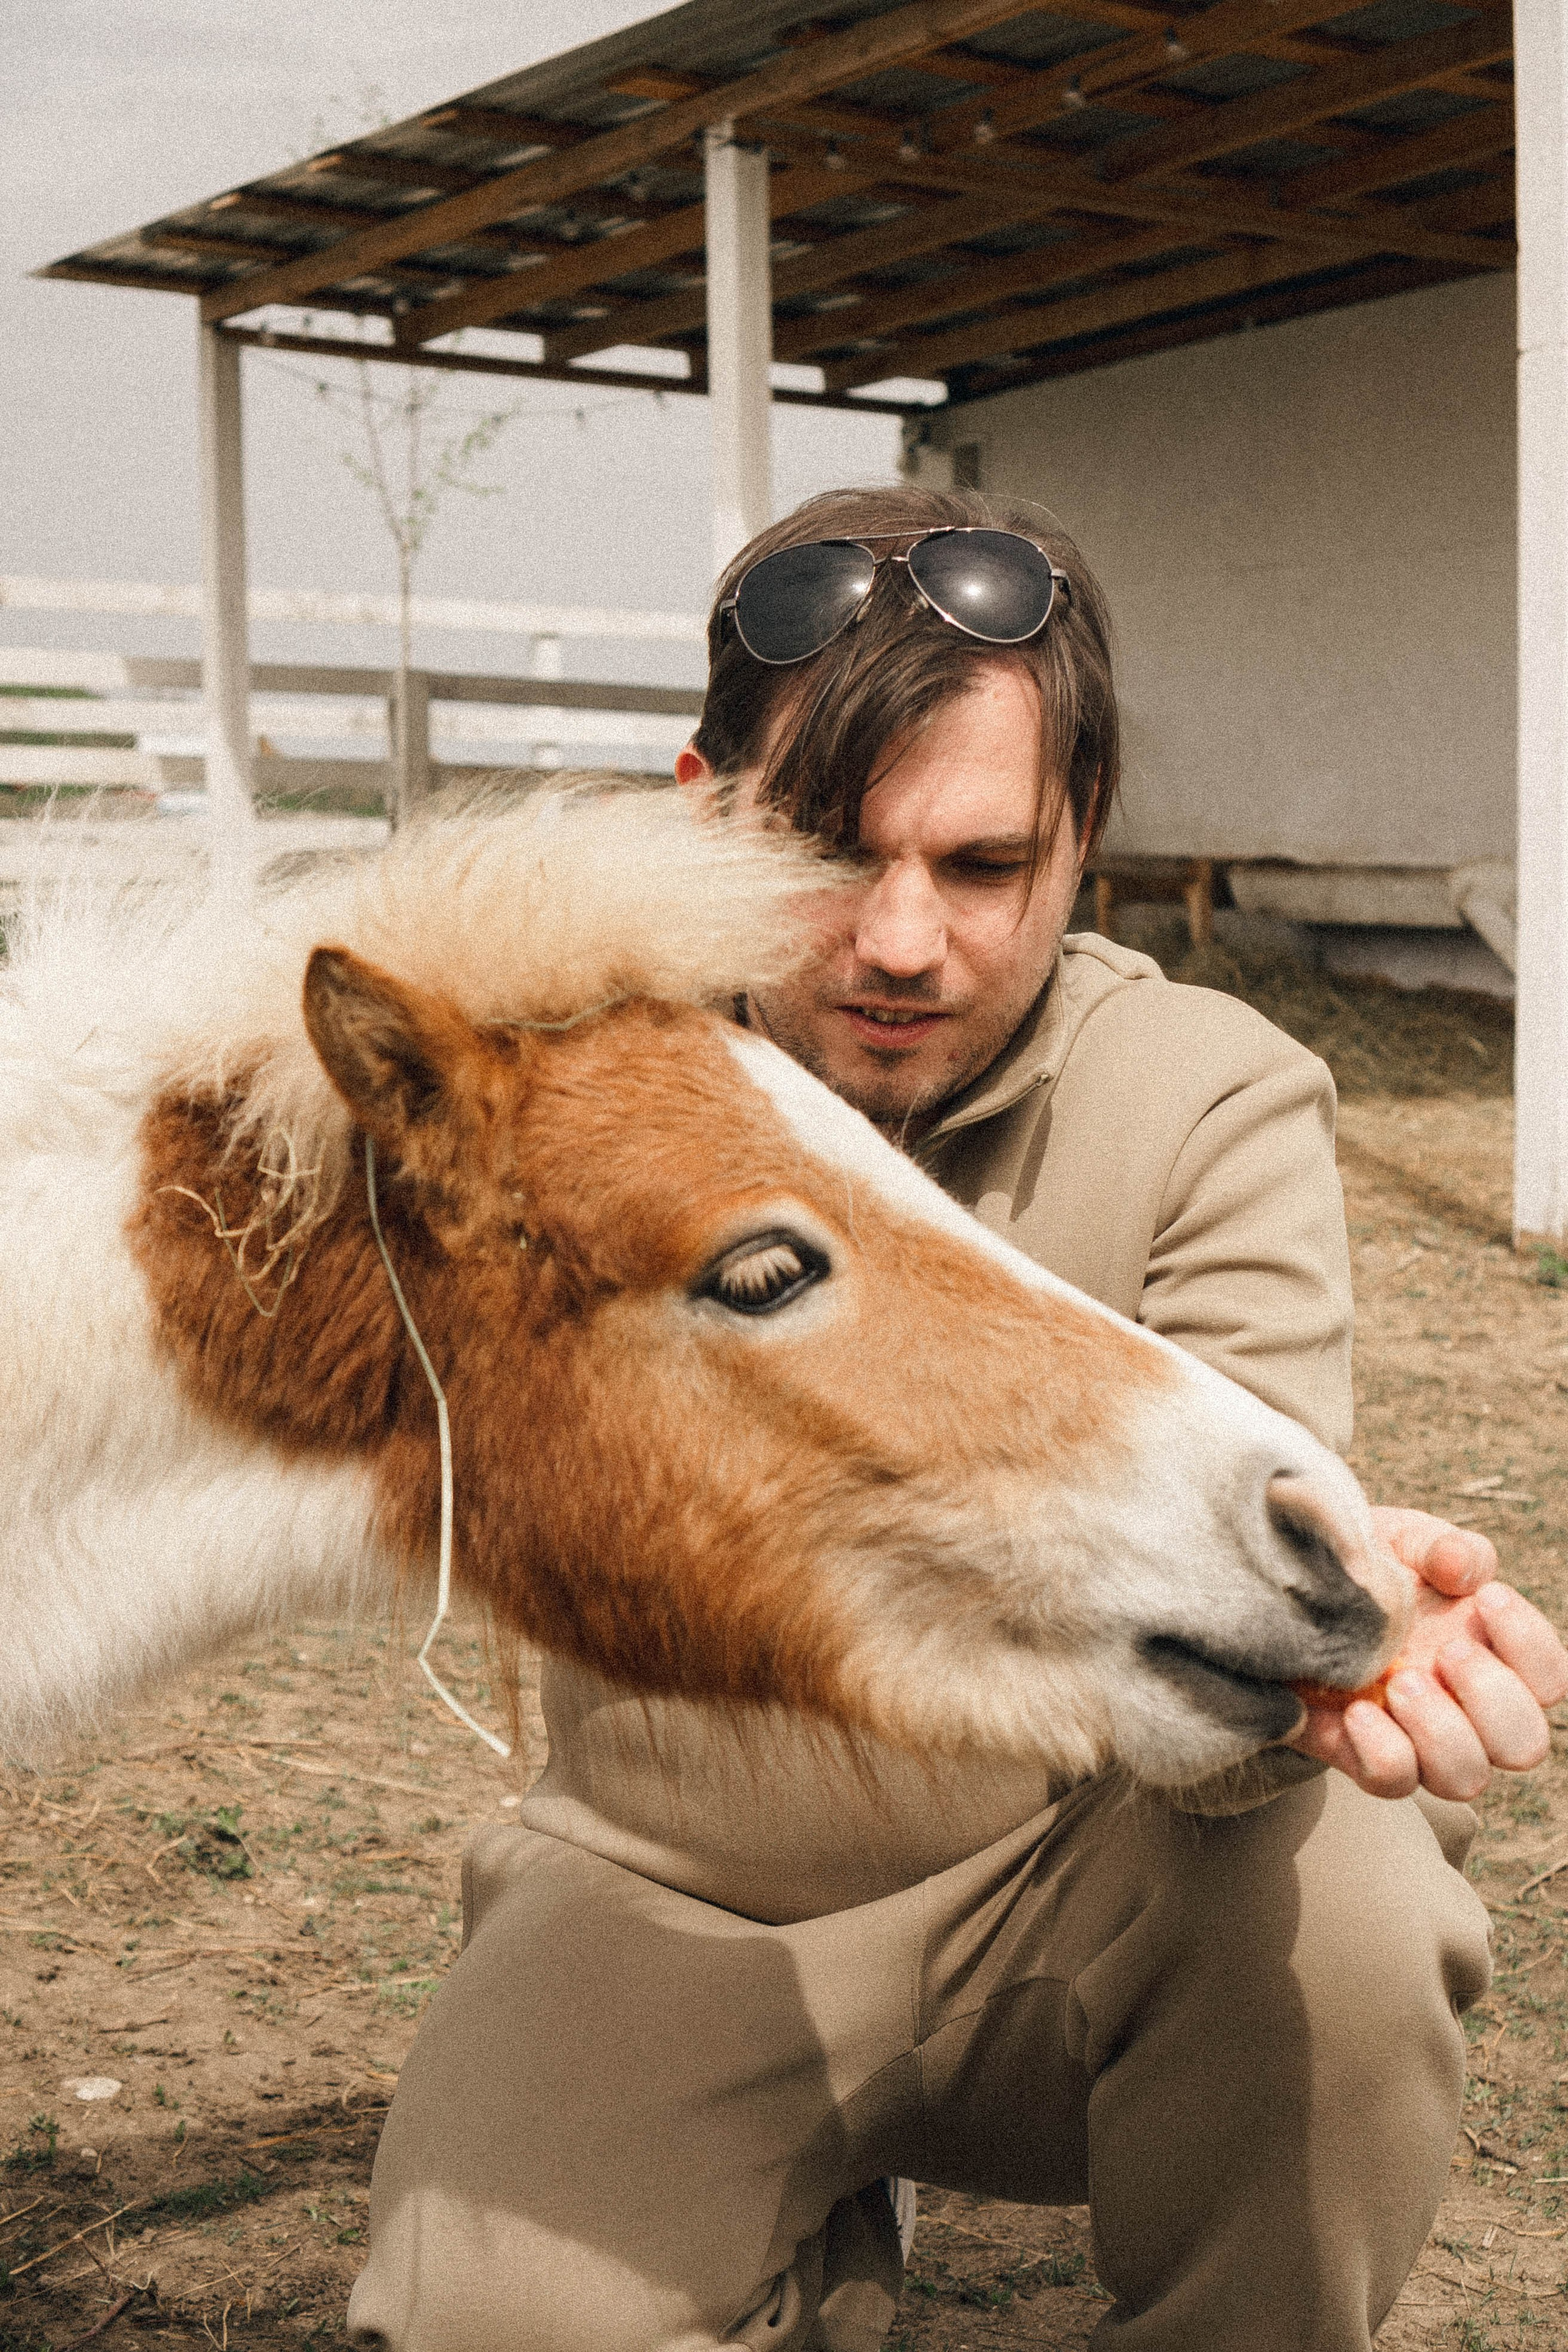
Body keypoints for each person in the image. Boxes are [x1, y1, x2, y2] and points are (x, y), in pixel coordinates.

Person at [346, 486, 1567, 2352]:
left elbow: (1233, 1602)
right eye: (825, 849)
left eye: (985, 866)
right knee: (487, 2318)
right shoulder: (541, 1100)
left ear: (1087, 841)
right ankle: (799, 2228)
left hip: (1069, 1897)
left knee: (1352, 1916)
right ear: (695, 810)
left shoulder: (1217, 1098)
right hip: (665, 1904)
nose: (900, 941)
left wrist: (1314, 1666)